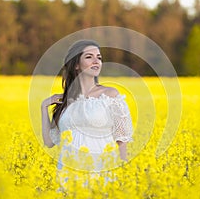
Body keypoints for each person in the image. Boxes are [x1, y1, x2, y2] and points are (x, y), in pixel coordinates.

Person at [41, 39, 133, 172]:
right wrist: (44, 107)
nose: (96, 61)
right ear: (76, 65)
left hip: (101, 170)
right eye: (89, 57)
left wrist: (125, 173)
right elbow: (49, 142)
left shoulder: (110, 95)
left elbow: (122, 140)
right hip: (68, 172)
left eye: (99, 58)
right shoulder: (65, 101)